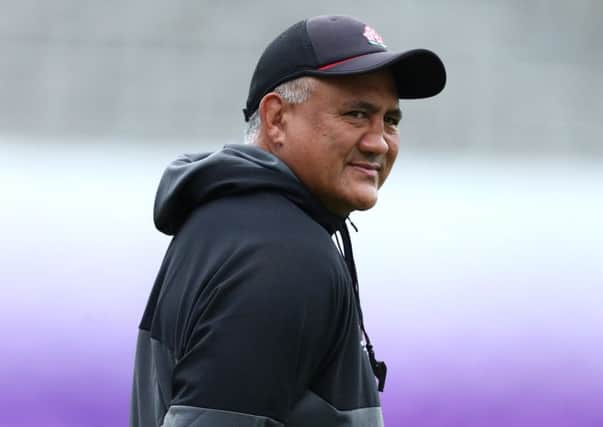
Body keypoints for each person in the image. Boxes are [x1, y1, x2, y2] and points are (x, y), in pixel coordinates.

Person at [130, 15, 445, 427]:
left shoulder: (225, 221)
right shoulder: (284, 257)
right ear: (277, 119)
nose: (378, 141)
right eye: (355, 114)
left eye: (390, 120)